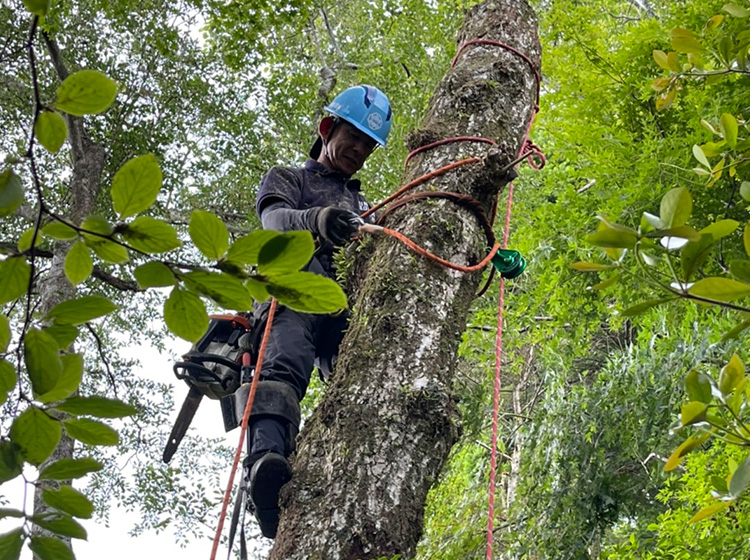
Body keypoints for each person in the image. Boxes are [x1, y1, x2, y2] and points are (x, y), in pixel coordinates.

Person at [243, 85, 392, 539]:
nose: (360, 150)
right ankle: (266, 465)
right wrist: (318, 220)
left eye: (369, 145)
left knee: (363, 377)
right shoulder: (290, 179)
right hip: (296, 293)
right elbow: (274, 224)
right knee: (285, 358)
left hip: (345, 313)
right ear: (329, 128)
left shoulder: (368, 207)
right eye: (354, 137)